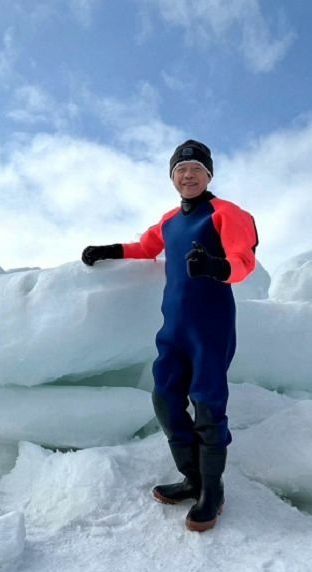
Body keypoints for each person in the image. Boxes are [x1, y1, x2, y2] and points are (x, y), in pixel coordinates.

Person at [81, 139, 258, 532]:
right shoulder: (169, 220)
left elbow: (243, 261)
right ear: (173, 177)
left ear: (209, 175)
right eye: (180, 170)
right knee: (165, 399)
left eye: (196, 169)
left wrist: (212, 266)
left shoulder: (227, 213)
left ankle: (212, 490)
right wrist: (108, 250)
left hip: (211, 324)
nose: (188, 175)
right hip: (173, 327)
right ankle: (191, 477)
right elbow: (147, 247)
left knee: (208, 405)